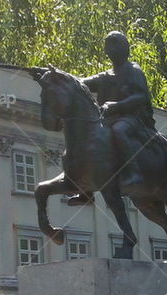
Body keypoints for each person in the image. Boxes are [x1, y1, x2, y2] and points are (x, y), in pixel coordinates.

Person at [67, 31, 156, 205]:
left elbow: (141, 96)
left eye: (115, 45)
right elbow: (80, 82)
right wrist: (58, 76)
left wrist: (116, 105)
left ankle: (133, 172)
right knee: (86, 138)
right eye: (109, 46)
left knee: (119, 131)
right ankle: (85, 191)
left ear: (125, 48)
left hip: (133, 119)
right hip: (108, 120)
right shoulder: (105, 76)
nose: (111, 49)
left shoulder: (134, 71)